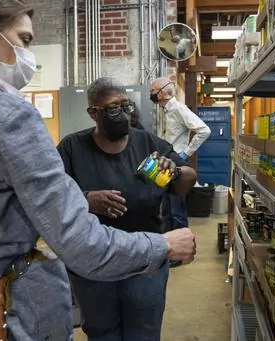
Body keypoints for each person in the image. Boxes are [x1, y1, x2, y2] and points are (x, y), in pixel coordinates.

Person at [0, 2, 196, 341]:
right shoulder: (7, 115)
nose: (28, 55)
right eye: (24, 39)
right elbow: (81, 244)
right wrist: (163, 246)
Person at [57, 77, 197, 341]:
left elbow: (186, 181)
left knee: (143, 331)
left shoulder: (148, 144)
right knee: (101, 331)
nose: (122, 115)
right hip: (93, 262)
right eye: (112, 109)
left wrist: (176, 171)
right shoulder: (71, 148)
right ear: (93, 113)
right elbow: (53, 198)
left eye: (127, 106)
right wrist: (86, 199)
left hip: (145, 262)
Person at [150, 78, 210, 266]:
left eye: (153, 90)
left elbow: (204, 130)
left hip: (175, 163)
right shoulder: (164, 110)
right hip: (163, 164)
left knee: (177, 209)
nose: (151, 94)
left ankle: (182, 254)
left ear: (162, 92)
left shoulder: (178, 109)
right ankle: (169, 249)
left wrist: (185, 153)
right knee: (166, 208)